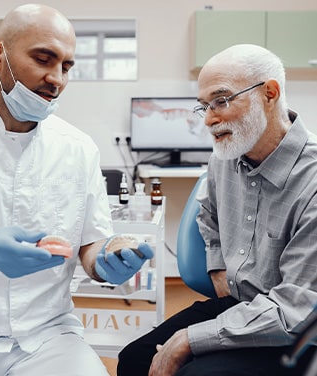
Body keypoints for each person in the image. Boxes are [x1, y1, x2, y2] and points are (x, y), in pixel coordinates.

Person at [0, 4, 153, 375]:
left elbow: (91, 243)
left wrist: (106, 260)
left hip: (46, 339)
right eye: (43, 59)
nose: (57, 78)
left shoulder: (78, 148)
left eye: (67, 66)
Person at [117, 44, 317, 376]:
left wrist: (189, 339)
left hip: (294, 330)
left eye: (221, 101)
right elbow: (207, 215)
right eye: (204, 107)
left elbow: (295, 310)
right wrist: (217, 268)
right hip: (238, 306)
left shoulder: (311, 181)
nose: (209, 119)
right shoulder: (223, 158)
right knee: (135, 360)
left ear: (270, 93)